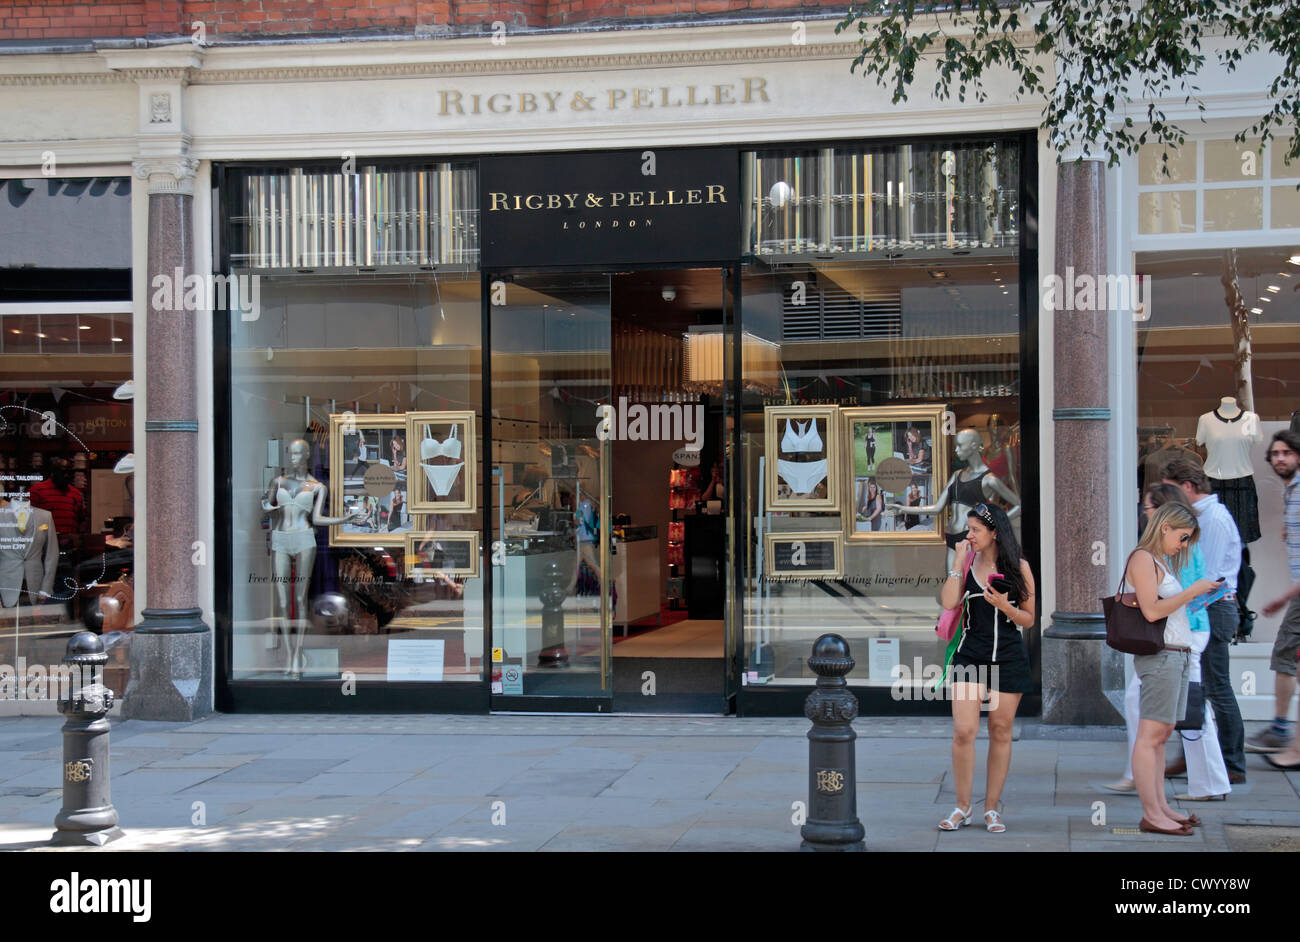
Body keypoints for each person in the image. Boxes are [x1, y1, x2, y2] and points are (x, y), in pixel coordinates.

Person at [1106, 484, 1232, 801]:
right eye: (1183, 536)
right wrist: (1196, 592)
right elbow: (1159, 606)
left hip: (1176, 644)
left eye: (1147, 508)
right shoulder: (1152, 558)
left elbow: (1163, 605)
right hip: (1168, 646)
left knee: (1180, 718)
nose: (1143, 513)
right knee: (1168, 721)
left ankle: (1164, 788)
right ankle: (1163, 792)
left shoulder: (1169, 555)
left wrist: (1196, 592)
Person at [936, 503, 1036, 833]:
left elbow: (1029, 618)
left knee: (1000, 730)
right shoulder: (965, 563)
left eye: (976, 529)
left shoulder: (1018, 567)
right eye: (969, 529)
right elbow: (949, 602)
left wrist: (1005, 605)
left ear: (995, 532)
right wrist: (957, 562)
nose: (970, 535)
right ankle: (962, 806)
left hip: (1008, 656)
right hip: (970, 655)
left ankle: (991, 808)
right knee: (964, 731)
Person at [1163, 456, 1247, 784]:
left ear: (1187, 487)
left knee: (1214, 685)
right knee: (1200, 685)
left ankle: (1231, 761)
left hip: (1211, 607)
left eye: (1171, 492)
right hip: (1206, 606)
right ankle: (1195, 755)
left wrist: (1181, 606)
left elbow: (1207, 578)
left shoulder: (1211, 520)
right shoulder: (1205, 517)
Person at [1248, 430, 1300, 762]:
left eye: (1287, 453)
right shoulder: (1290, 493)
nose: (1280, 458)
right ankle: (1282, 733)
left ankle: (1283, 733)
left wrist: (1282, 599)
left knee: (1285, 655)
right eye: (1275, 453)